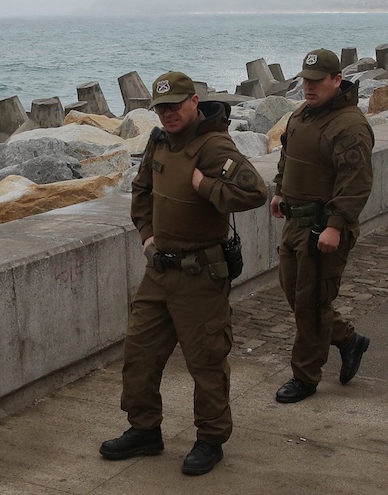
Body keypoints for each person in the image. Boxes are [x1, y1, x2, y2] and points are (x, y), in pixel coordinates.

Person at [99, 71, 268, 476]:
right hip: (158, 272)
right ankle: (144, 431)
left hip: (200, 276)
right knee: (139, 356)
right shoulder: (159, 141)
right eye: (160, 107)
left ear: (194, 101)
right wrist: (146, 234)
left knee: (206, 362)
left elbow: (255, 192)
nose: (167, 113)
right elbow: (142, 192)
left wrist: (205, 186)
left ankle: (210, 439)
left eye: (175, 104)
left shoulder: (213, 145)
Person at [271, 48, 374, 404]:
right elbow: (288, 152)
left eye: (316, 82)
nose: (309, 88)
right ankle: (347, 339)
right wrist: (279, 189)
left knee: (312, 304)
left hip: (322, 227)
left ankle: (305, 376)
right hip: (295, 223)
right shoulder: (303, 114)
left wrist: (336, 225)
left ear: (336, 80)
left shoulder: (350, 125)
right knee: (294, 294)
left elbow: (356, 181)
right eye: (305, 81)